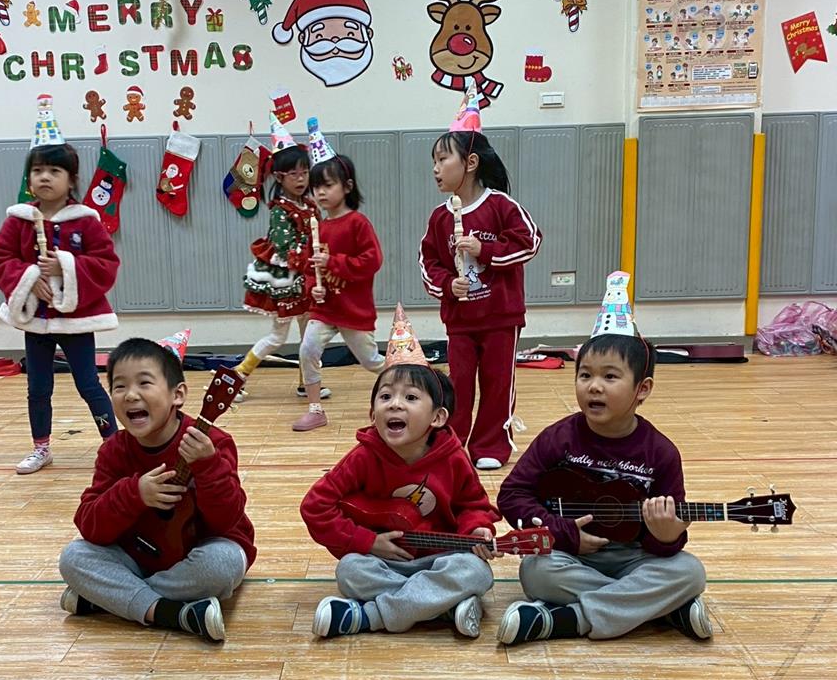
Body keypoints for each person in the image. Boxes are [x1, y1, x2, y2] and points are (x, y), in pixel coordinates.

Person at [496, 275, 710, 645]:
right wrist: (564, 533)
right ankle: (658, 608)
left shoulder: (661, 453)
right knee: (535, 570)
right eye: (585, 375)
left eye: (610, 376)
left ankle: (570, 619)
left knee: (690, 572)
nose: (594, 386)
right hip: (571, 556)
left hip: (634, 558)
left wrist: (667, 536)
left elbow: (665, 537)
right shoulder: (558, 438)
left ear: (642, 389)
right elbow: (512, 495)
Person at [300, 306, 499, 637]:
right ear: (372, 413)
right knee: (350, 570)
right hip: (384, 563)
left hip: (440, 560)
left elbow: (473, 505)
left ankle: (371, 616)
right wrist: (368, 541)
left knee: (476, 571)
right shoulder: (363, 457)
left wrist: (477, 529)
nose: (395, 404)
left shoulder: (452, 458)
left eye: (410, 397)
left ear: (437, 417)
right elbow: (315, 506)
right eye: (386, 396)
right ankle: (442, 606)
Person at [58, 334, 256, 642]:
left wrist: (208, 466)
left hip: (197, 556)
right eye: (119, 386)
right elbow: (90, 526)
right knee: (73, 557)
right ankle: (170, 612)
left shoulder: (213, 443)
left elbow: (227, 521)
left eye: (144, 383)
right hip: (138, 557)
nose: (130, 395)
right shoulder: (114, 451)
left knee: (223, 563)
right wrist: (134, 494)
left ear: (178, 394)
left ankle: (112, 599)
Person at [0, 97, 119, 474]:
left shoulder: (86, 221)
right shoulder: (19, 220)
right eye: (37, 171)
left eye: (54, 171)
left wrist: (64, 266)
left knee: (88, 384)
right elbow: (1, 260)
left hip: (75, 319)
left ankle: (115, 446)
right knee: (38, 387)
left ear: (71, 179)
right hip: (37, 321)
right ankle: (41, 447)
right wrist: (31, 280)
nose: (44, 177)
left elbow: (106, 263)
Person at [418, 85, 542, 470]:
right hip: (460, 321)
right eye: (434, 161)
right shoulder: (439, 217)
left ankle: (491, 444)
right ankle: (451, 445)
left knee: (497, 383)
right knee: (457, 385)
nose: (436, 169)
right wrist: (447, 285)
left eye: (443, 159)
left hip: (501, 317)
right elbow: (428, 263)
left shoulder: (501, 205)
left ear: (470, 162)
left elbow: (530, 242)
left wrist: (484, 249)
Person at [292, 119, 385, 432]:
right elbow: (310, 268)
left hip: (352, 309)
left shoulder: (358, 223)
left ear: (347, 187)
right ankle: (315, 409)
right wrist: (312, 289)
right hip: (326, 308)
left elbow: (371, 261)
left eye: (328, 185)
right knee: (307, 350)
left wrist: (333, 262)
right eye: (316, 186)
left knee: (372, 361)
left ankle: (410, 378)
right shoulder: (318, 227)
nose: (320, 191)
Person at [235, 112, 329, 403]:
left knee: (308, 334)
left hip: (307, 277)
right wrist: (310, 253)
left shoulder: (310, 205)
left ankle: (306, 383)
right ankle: (236, 377)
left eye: (305, 172)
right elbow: (284, 247)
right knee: (278, 337)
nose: (301, 179)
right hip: (286, 280)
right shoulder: (280, 209)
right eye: (294, 174)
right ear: (279, 177)